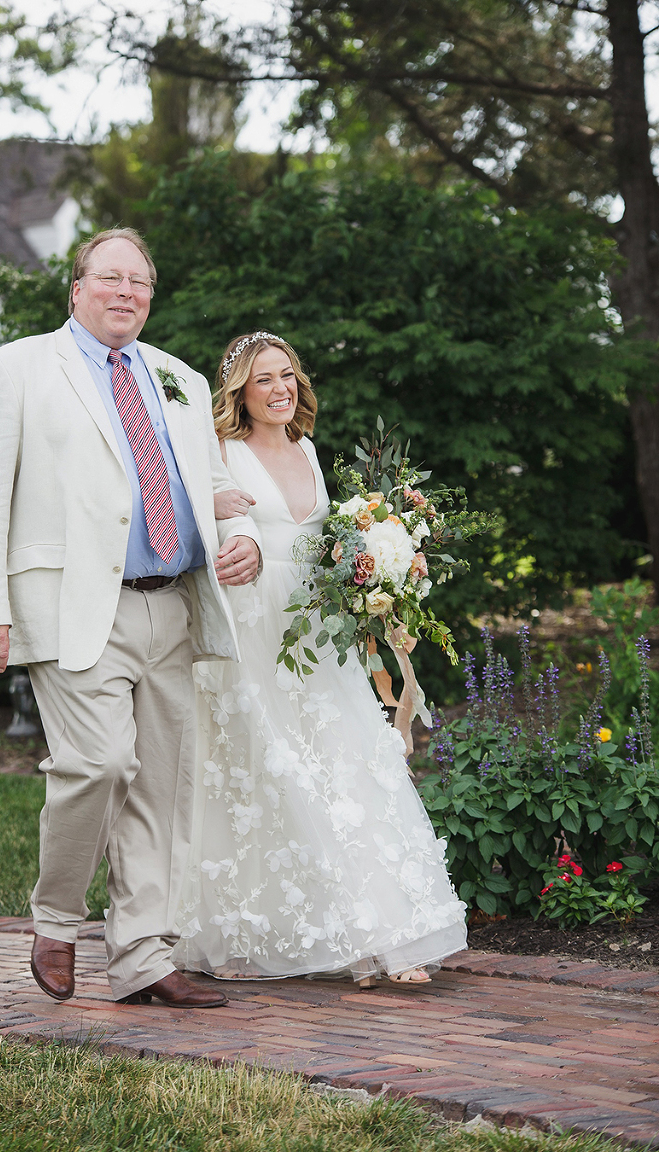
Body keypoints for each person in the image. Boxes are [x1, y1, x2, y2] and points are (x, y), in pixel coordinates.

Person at [0, 228, 262, 1010]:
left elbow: (220, 485)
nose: (127, 293)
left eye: (141, 283)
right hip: (72, 608)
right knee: (98, 764)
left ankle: (143, 958)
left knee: (162, 786)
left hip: (175, 606)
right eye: (111, 278)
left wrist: (246, 538)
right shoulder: (13, 369)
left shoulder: (178, 378)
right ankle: (56, 920)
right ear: (77, 287)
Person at [173, 332, 467, 986]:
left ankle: (379, 939)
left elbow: (325, 543)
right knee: (267, 775)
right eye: (263, 380)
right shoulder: (221, 451)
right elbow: (208, 529)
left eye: (287, 376)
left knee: (344, 765)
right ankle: (308, 936)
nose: (280, 389)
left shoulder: (306, 448)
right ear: (240, 394)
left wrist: (373, 575)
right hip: (254, 627)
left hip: (317, 632)